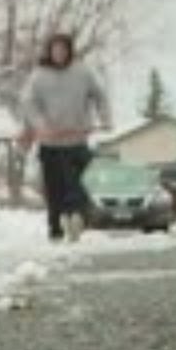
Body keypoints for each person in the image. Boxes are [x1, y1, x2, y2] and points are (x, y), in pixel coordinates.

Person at [17, 33, 114, 242]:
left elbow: (100, 95)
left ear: (69, 51)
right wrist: (41, 125)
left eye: (63, 49)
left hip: (77, 140)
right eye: (55, 49)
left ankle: (76, 217)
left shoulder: (83, 72)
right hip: (50, 143)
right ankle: (55, 228)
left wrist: (105, 118)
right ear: (49, 52)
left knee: (78, 185)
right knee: (55, 189)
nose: (59, 53)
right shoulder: (39, 75)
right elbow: (28, 103)